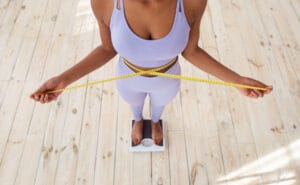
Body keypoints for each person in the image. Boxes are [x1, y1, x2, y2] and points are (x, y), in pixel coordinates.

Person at [30, 0, 273, 146]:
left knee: (159, 108)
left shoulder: (192, 2)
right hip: (128, 77)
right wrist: (62, 80)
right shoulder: (104, 1)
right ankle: (138, 120)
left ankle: (155, 122)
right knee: (134, 106)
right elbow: (107, 48)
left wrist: (237, 81)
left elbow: (191, 51)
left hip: (168, 79)